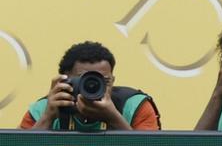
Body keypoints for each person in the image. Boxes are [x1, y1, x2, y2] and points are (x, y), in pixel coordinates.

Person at [19, 41, 160, 131]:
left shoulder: (134, 106)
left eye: (104, 81)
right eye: (84, 80)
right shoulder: (43, 109)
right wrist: (47, 117)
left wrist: (114, 119)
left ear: (113, 80)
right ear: (64, 80)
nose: (93, 87)